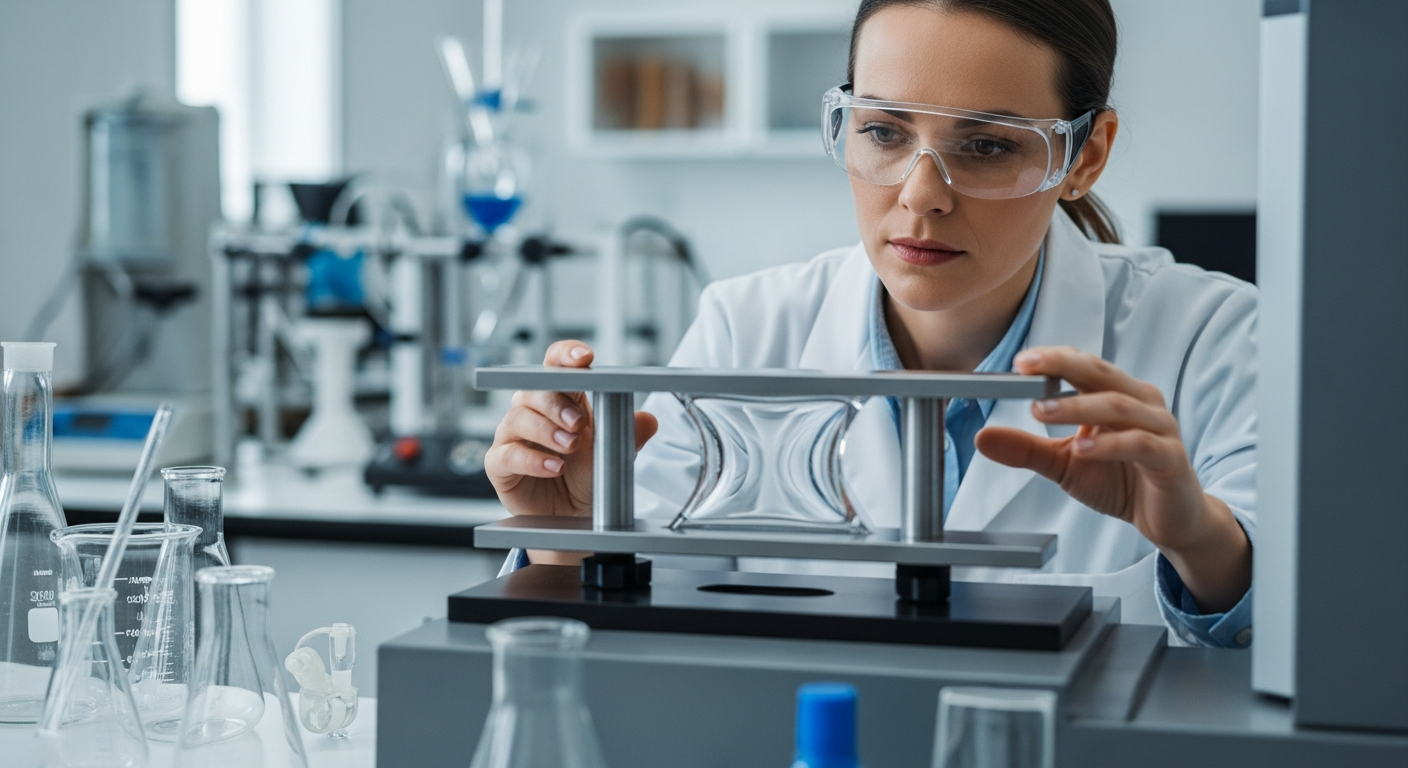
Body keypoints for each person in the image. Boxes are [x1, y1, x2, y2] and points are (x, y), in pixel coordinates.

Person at [484, 0, 1255, 648]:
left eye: (986, 146)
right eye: (884, 132)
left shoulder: (1207, 337)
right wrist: (569, 536)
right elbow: (639, 637)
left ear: (1085, 155)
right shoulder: (748, 328)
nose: (921, 195)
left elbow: (1303, 645)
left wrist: (1198, 542)